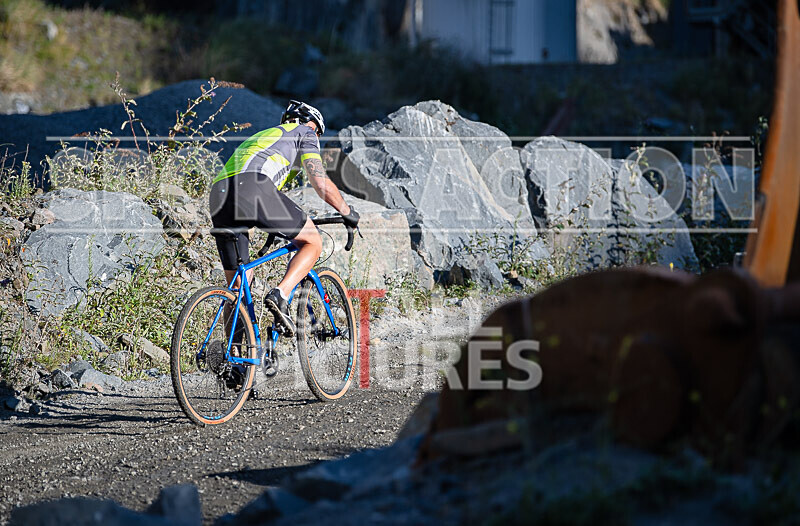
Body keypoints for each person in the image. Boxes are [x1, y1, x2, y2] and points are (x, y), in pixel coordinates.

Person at [209, 100, 359, 337]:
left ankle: (235, 364)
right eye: (318, 133)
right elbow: (320, 183)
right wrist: (347, 212)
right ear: (312, 125)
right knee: (313, 241)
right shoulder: (305, 132)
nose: (316, 139)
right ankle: (281, 294)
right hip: (253, 187)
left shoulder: (266, 136)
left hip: (218, 195)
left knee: (238, 285)